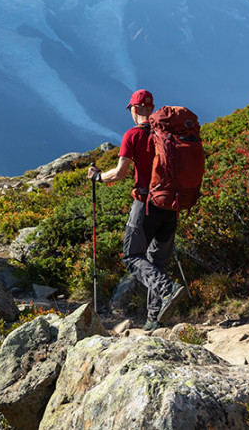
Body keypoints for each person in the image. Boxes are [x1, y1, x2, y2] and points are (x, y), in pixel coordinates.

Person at [87, 89, 186, 331]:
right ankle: (154, 319)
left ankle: (167, 289)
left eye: (131, 108)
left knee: (132, 257)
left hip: (145, 205)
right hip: (170, 204)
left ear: (135, 109)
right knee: (157, 261)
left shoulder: (133, 135)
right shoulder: (167, 133)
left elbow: (120, 173)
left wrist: (98, 177)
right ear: (150, 109)